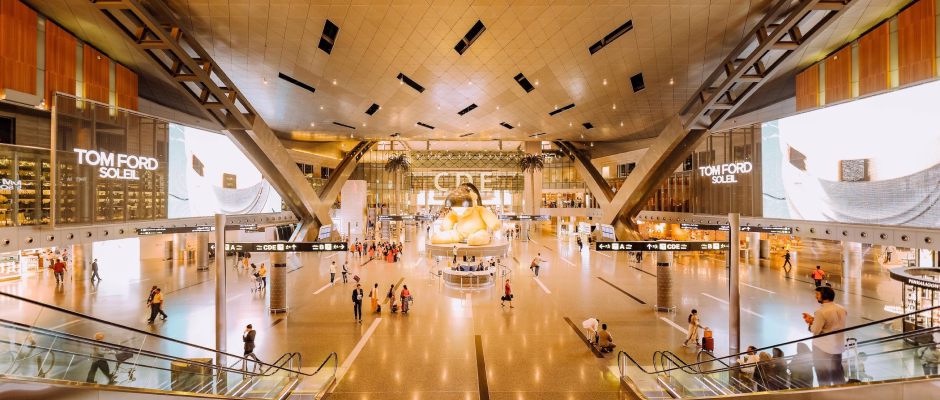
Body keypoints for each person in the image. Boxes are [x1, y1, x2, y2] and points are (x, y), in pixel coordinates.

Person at [803, 286, 847, 386]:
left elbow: (815, 330)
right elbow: (833, 324)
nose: (816, 296)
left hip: (822, 348)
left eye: (817, 294)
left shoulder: (821, 312)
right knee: (837, 373)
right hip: (838, 347)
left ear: (824, 296)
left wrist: (810, 323)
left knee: (823, 374)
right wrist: (815, 320)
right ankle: (841, 393)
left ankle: (825, 395)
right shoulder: (842, 309)